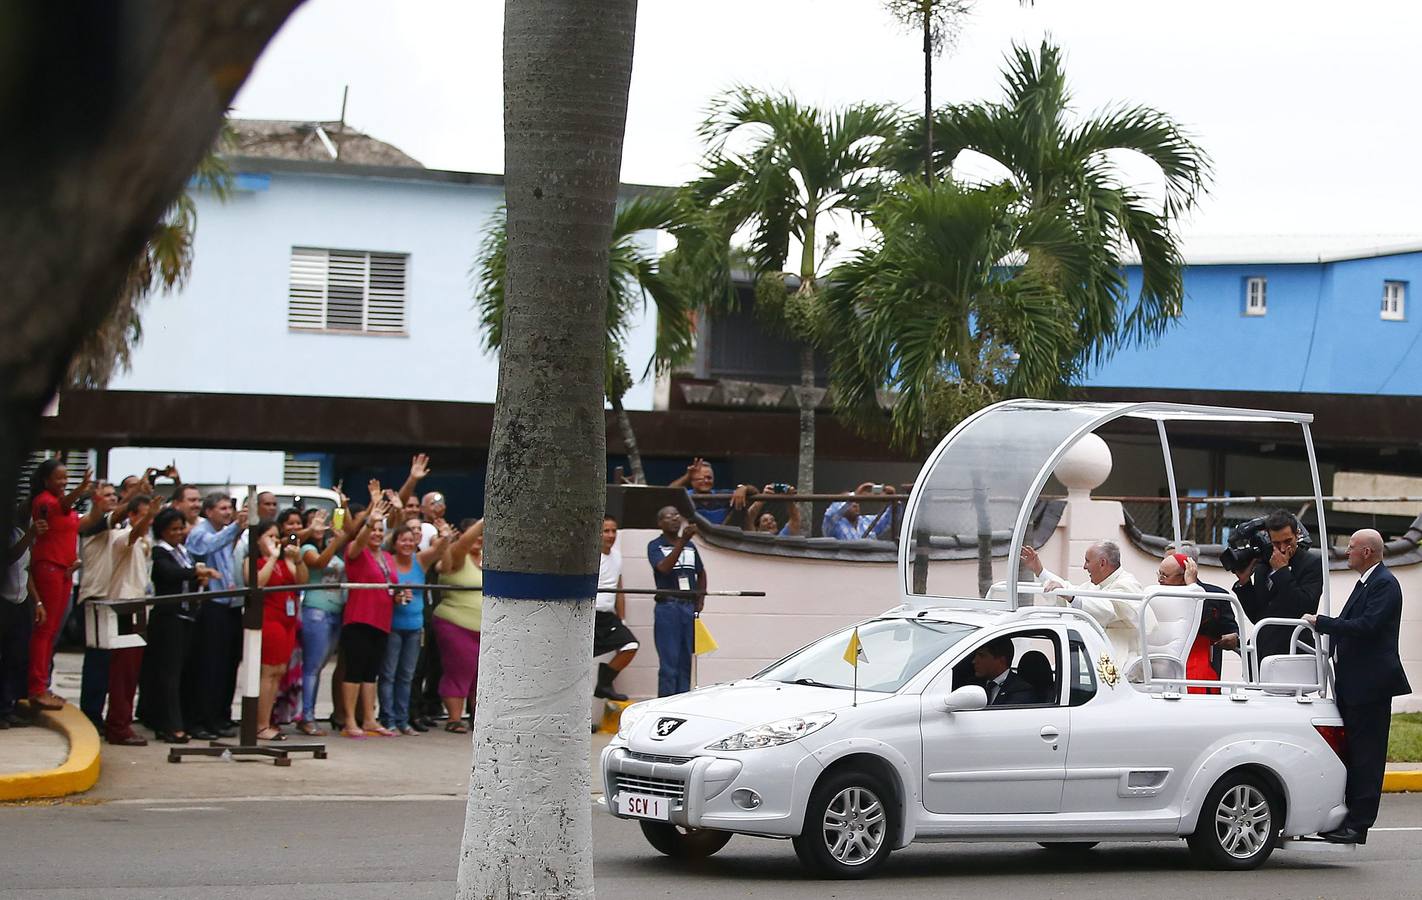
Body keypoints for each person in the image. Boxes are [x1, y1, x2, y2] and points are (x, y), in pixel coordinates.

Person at [1304, 529, 1412, 845]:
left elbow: (1367, 626)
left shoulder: (1385, 585)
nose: (1346, 552)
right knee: (1352, 753)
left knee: (1367, 756)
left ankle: (1359, 823)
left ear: (1367, 552)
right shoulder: (1367, 582)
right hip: (1353, 684)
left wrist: (1322, 622)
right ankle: (1344, 818)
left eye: (1351, 548)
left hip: (1371, 686)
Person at [26, 458, 93, 710]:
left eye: (66, 478)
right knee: (44, 631)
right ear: (46, 480)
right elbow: (64, 505)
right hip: (48, 569)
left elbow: (76, 519)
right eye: (60, 478)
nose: (64, 482)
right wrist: (81, 488)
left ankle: (42, 685)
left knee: (51, 632)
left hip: (63, 571)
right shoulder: (45, 500)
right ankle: (36, 687)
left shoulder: (63, 506)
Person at [1021, 540, 1154, 662]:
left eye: (1087, 561)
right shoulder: (1097, 584)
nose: (1084, 567)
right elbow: (1070, 590)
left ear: (1102, 563)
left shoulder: (1127, 584)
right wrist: (1040, 571)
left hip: (1123, 659)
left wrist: (1070, 597)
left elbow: (1107, 610)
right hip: (1098, 654)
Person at [146, 508, 214, 743]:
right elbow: (169, 574)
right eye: (172, 529)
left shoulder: (183, 551)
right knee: (168, 674)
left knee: (186, 673)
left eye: (180, 528)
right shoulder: (159, 552)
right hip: (168, 619)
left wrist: (199, 578)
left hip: (187, 617)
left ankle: (183, 720)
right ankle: (169, 725)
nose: (178, 533)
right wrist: (195, 572)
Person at [183, 492, 248, 739]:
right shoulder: (202, 532)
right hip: (210, 606)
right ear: (209, 512)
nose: (227, 513)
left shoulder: (228, 534)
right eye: (221, 508)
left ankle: (220, 716)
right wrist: (234, 529)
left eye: (228, 508)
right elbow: (206, 546)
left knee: (227, 665)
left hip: (229, 605)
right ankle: (200, 719)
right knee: (208, 665)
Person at [378, 521, 452, 734]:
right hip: (393, 625)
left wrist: (445, 534)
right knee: (389, 674)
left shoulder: (419, 560)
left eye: (411, 540)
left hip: (415, 626)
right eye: (403, 540)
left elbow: (440, 549)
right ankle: (387, 718)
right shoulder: (388, 561)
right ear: (395, 542)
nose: (407, 543)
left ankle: (402, 720)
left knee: (407, 675)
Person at [1232, 509, 1323, 673]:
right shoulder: (1264, 563)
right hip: (1262, 652)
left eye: (1288, 541)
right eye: (1276, 543)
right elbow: (1259, 615)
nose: (1282, 548)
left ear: (1297, 534)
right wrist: (1244, 583)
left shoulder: (1311, 563)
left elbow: (1304, 607)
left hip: (1293, 652)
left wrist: (1282, 571)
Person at [338, 496, 398, 738]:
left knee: (371, 672)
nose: (376, 533)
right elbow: (357, 543)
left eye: (379, 530)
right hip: (359, 619)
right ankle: (350, 720)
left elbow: (391, 583)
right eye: (373, 529)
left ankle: (370, 719)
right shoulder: (356, 552)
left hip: (382, 620)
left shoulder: (388, 557)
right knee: (354, 670)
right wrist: (368, 522)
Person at [102, 494, 159, 745]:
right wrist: (146, 519)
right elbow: (133, 535)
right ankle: (117, 725)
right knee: (122, 671)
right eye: (145, 515)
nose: (150, 520)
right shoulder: (119, 536)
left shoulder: (145, 542)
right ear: (133, 515)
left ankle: (122, 721)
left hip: (137, 605)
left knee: (132, 670)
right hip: (124, 606)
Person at [296, 504, 354, 736]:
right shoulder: (305, 548)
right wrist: (335, 542)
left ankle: (308, 714)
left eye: (323, 521)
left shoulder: (335, 549)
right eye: (314, 521)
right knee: (311, 666)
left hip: (335, 612)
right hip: (315, 611)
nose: (320, 525)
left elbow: (351, 532)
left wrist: (345, 507)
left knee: (320, 666)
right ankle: (307, 716)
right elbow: (318, 563)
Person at [432, 518, 485, 733]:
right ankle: (454, 718)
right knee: (460, 670)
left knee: (480, 674)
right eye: (476, 534)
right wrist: (483, 521)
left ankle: (478, 717)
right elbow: (464, 543)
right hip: (455, 624)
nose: (479, 539)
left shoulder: (486, 559)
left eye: (482, 535)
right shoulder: (455, 557)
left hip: (484, 628)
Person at [76, 480, 121, 729]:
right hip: (97, 598)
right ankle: (91, 715)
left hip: (117, 598)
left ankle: (105, 715)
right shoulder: (91, 522)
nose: (112, 498)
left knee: (114, 662)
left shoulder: (118, 523)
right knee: (98, 661)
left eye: (115, 494)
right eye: (106, 495)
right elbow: (118, 515)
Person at [648, 506, 706, 697]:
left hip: (687, 608)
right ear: (660, 523)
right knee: (669, 664)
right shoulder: (655, 545)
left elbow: (701, 572)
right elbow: (664, 568)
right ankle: (664, 705)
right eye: (668, 516)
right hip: (668, 608)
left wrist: (700, 598)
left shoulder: (691, 546)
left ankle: (681, 704)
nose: (674, 518)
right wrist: (683, 540)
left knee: (685, 664)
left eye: (676, 515)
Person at [1165, 540, 1240, 689]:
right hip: (1166, 670)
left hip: (1202, 672)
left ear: (1188, 566)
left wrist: (1192, 588)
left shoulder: (1216, 596)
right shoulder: (1159, 595)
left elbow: (1232, 633)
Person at [1, 515, 44, 729]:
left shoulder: (22, 532)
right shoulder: (9, 533)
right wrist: (30, 536)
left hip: (20, 602)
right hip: (4, 602)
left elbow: (26, 572)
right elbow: (8, 558)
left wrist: (37, 602)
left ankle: (10, 706)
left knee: (17, 657)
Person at [593, 516, 638, 702]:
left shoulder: (617, 555)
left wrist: (622, 618)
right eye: (606, 531)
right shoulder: (591, 556)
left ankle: (604, 684)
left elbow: (619, 588)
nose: (610, 535)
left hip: (608, 616)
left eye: (614, 531)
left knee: (630, 645)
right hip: (591, 616)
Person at [668, 458, 753, 526]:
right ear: (691, 481)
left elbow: (754, 492)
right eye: (700, 478)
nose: (705, 481)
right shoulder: (685, 496)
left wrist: (743, 488)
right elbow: (669, 493)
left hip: (721, 539)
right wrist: (687, 476)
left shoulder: (722, 495)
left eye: (709, 478)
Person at [971, 636, 1038, 706]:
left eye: (982, 656)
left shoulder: (1021, 690)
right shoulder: (973, 685)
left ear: (1001, 660)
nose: (974, 661)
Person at [821, 483, 897, 541]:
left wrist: (893, 498)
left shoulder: (866, 521)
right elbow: (830, 514)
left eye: (857, 501)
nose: (855, 504)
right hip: (846, 560)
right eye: (851, 502)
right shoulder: (834, 525)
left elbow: (889, 519)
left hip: (870, 560)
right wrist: (855, 494)